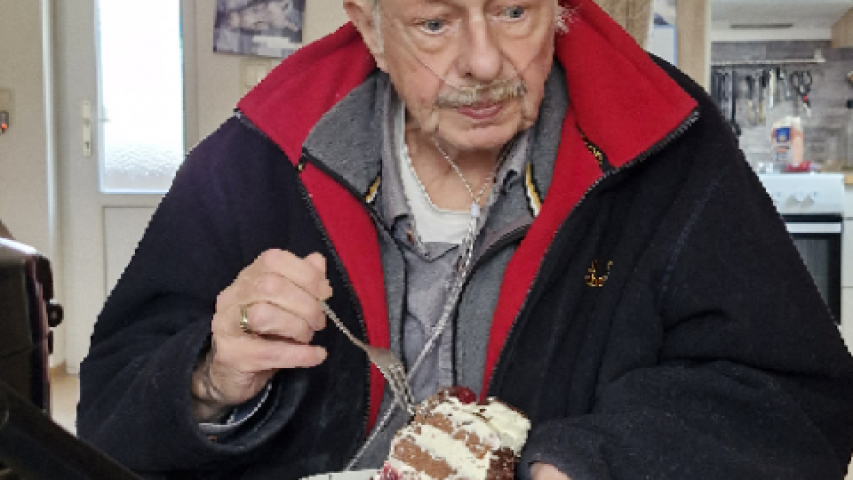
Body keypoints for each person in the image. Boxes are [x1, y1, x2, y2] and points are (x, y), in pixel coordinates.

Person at [77, 0, 853, 479]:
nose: (483, 62)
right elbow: (109, 405)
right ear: (368, 25)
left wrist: (589, 465)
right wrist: (212, 379)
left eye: (513, 11)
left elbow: (795, 403)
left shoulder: (664, 142)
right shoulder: (260, 155)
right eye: (434, 23)